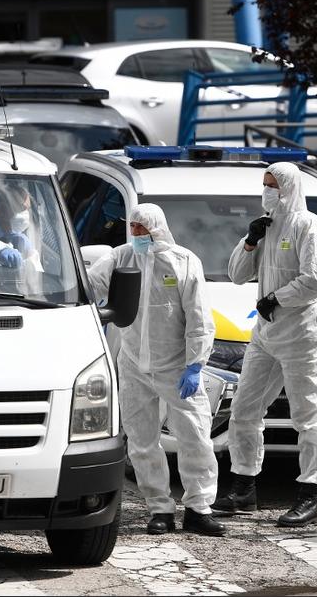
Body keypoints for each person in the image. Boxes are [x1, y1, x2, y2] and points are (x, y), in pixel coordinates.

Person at [87, 203, 225, 537]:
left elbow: (199, 318)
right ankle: (159, 508)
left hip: (175, 365)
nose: (135, 233)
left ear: (157, 229)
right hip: (133, 364)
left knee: (195, 437)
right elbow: (91, 285)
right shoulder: (121, 258)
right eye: (132, 227)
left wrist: (195, 365)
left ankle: (198, 508)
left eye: (141, 228)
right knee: (141, 441)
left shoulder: (183, 261)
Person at [212, 161, 317, 527]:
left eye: (273, 185)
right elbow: (236, 275)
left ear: (290, 188)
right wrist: (250, 242)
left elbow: (316, 280)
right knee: (244, 410)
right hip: (265, 335)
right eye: (264, 184)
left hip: (301, 335)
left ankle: (309, 495)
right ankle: (244, 487)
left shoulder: (309, 226)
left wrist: (277, 299)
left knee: (307, 416)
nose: (267, 191)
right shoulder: (265, 226)